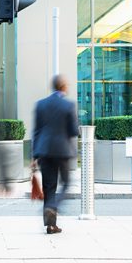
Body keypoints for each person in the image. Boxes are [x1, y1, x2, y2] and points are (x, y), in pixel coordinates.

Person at [31, 75, 79, 234]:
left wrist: (34, 155)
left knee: (49, 186)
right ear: (64, 87)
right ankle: (53, 207)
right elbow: (74, 131)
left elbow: (36, 131)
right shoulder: (69, 105)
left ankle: (51, 225)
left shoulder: (40, 104)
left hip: (44, 150)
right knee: (65, 183)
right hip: (62, 150)